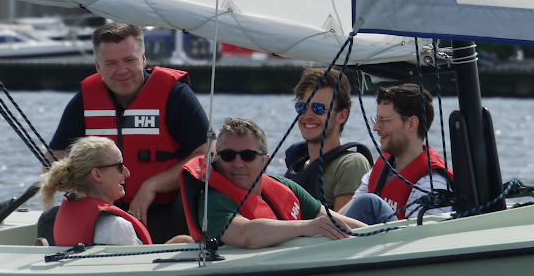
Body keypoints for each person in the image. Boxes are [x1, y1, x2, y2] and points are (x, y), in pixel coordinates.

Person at [49, 23, 209, 243]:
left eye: (129, 60)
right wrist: (82, 185)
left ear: (143, 59)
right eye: (111, 63)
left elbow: (205, 154)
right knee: (49, 219)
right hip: (103, 211)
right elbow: (56, 155)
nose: (121, 70)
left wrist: (152, 185)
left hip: (165, 210)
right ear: (98, 66)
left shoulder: (176, 96)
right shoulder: (84, 101)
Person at [180, 117, 367, 248]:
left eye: (248, 156)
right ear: (217, 159)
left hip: (297, 265)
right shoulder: (213, 200)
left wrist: (379, 234)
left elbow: (333, 218)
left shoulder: (284, 186)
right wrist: (308, 226)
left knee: (368, 204)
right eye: (228, 155)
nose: (238, 164)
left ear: (265, 162)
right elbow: (246, 235)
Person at [39, 137, 192, 246]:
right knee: (186, 242)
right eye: (119, 166)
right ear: (97, 175)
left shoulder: (58, 218)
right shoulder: (117, 227)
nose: (126, 173)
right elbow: (140, 273)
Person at [342, 84, 453, 222]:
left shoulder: (431, 185)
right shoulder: (379, 171)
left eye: (383, 120)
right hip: (370, 241)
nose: (376, 127)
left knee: (369, 203)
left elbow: (418, 241)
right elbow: (343, 217)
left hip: (399, 243)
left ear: (411, 124)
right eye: (376, 120)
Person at [283, 68, 372, 210]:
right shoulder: (297, 165)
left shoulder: (350, 164)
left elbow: (344, 229)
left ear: (341, 116)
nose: (308, 115)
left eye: (318, 108)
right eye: (302, 107)